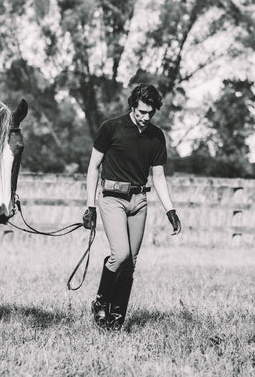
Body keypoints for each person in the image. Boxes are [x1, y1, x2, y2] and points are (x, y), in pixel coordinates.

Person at [82, 83, 181, 331]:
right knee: (121, 254)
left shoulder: (156, 136)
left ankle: (116, 317)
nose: (146, 117)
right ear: (133, 106)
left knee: (131, 263)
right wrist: (90, 206)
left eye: (151, 113)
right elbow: (93, 167)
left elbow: (158, 176)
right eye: (142, 112)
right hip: (112, 198)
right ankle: (101, 302)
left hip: (139, 201)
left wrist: (171, 210)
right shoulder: (111, 128)